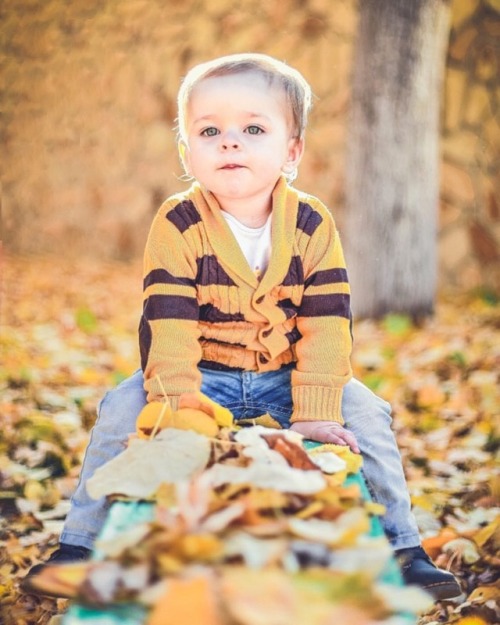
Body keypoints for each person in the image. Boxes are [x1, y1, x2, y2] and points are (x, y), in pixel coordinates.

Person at [24, 53, 460, 601]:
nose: (230, 142)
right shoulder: (178, 222)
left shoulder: (311, 223)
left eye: (253, 128)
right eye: (210, 131)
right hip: (203, 375)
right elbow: (168, 321)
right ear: (188, 152)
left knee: (369, 415)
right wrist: (177, 404)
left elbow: (327, 323)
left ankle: (403, 549)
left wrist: (316, 412)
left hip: (287, 378)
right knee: (119, 408)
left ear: (292, 150)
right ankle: (79, 543)